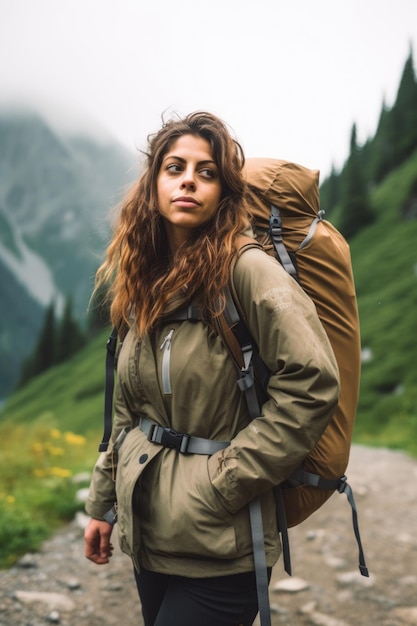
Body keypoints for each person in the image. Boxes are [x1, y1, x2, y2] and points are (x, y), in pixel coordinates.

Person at [84, 111, 340, 626]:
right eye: (175, 167)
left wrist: (225, 482)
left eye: (206, 172)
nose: (188, 181)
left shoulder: (247, 270)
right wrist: (101, 503)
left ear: (224, 191)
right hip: (152, 530)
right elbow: (128, 408)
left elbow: (312, 385)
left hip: (222, 540)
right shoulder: (145, 278)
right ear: (153, 183)